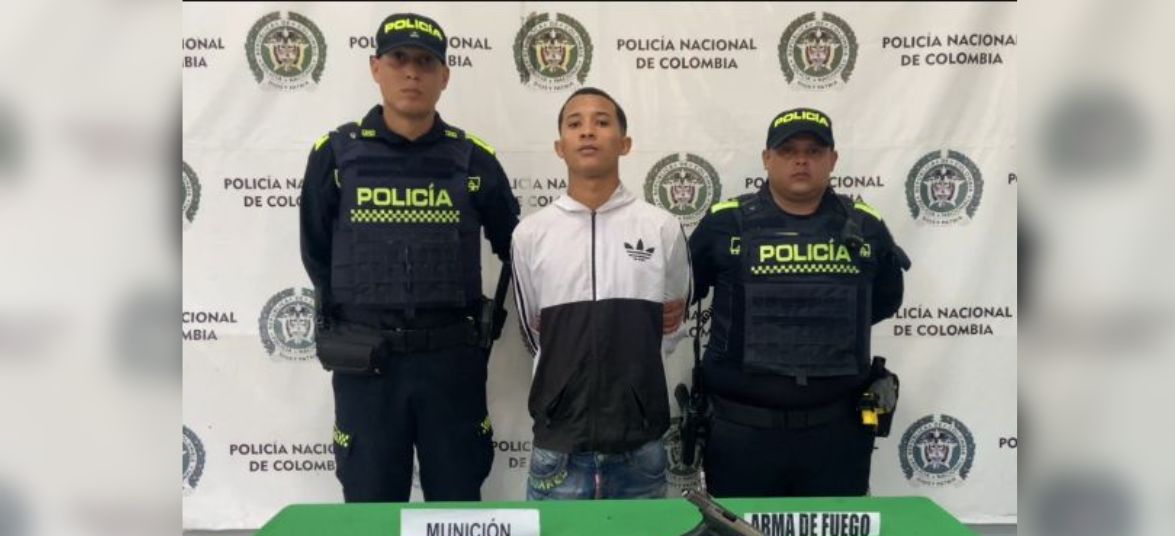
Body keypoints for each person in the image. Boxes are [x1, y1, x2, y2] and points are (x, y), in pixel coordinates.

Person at [298, 13, 520, 502]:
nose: (412, 72)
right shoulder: (335, 155)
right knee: (370, 509)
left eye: (426, 62)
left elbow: (517, 249)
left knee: (458, 507)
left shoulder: (474, 159)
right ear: (376, 67)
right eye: (399, 59)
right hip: (367, 365)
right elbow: (316, 253)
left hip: (451, 363)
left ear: (445, 76)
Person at [687, 107, 911, 497]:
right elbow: (686, 292)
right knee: (740, 535)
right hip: (741, 433)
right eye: (788, 150)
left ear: (833, 160)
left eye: (814, 151)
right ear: (767, 158)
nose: (801, 160)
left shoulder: (866, 227)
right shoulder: (724, 223)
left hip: (836, 434)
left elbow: (883, 302)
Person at [510, 87, 690, 500]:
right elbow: (534, 333)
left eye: (602, 122)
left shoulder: (660, 227)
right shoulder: (531, 234)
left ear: (624, 143)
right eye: (575, 123)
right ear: (560, 146)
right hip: (559, 447)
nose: (588, 131)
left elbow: (671, 327)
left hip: (640, 446)